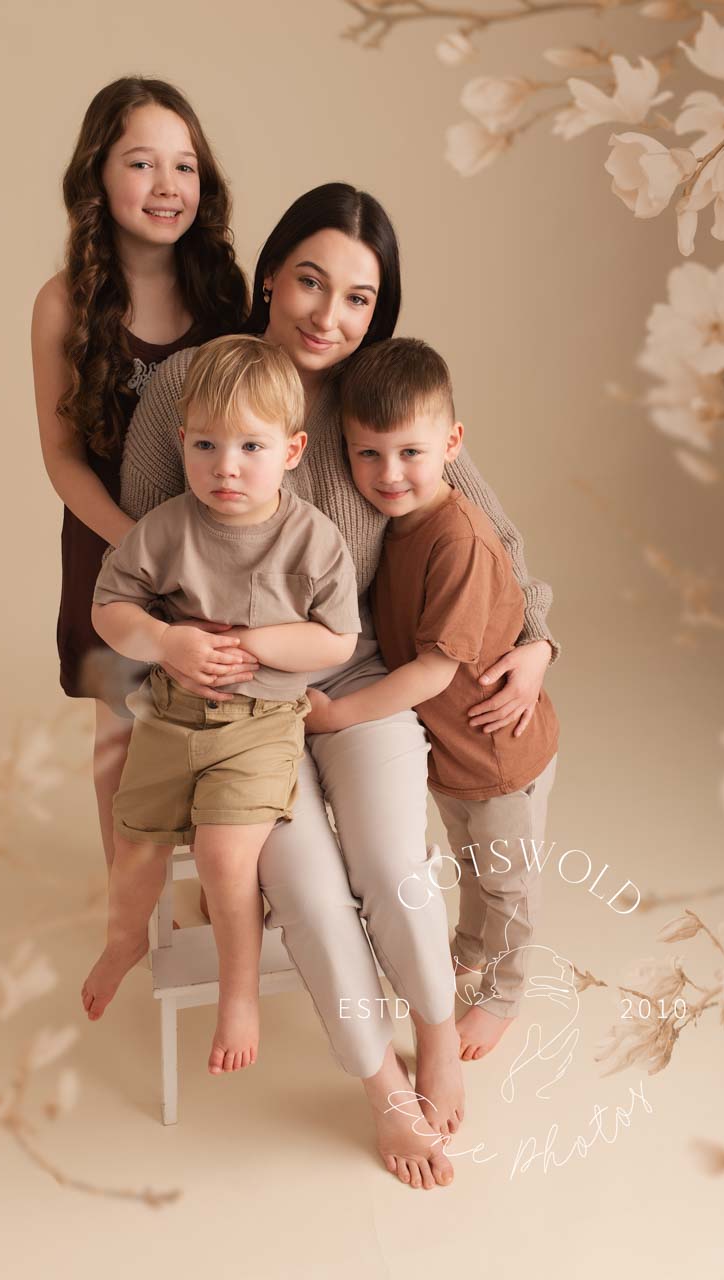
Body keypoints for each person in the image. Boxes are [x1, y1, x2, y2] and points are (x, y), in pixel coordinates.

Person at [120, 183, 559, 1191]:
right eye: (310, 281)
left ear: (377, 312)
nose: (328, 314)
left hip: (358, 673)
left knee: (393, 862)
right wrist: (173, 648)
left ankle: (435, 1033)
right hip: (234, 701)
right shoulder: (190, 383)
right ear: (269, 275)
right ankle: (381, 1091)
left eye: (358, 297)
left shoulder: (378, 397)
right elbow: (144, 551)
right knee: (313, 894)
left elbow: (486, 530)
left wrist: (537, 640)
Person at [82, 335, 361, 1074]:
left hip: (260, 727)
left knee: (221, 854)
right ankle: (125, 937)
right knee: (135, 841)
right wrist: (165, 640)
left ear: (292, 450)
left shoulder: (313, 540)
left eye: (250, 446)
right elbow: (109, 608)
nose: (226, 466)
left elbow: (337, 641)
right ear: (181, 444)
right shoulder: (168, 528)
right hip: (172, 717)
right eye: (206, 444)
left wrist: (265, 643)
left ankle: (239, 990)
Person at [303, 338, 560, 1062]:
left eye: (410, 453)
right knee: (473, 862)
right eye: (367, 455)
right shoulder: (400, 525)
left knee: (507, 881)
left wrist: (343, 714)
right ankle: (472, 948)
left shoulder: (458, 540)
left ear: (451, 444)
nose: (389, 476)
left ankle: (505, 993)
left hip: (497, 748)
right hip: (453, 751)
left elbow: (433, 671)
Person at [31, 77, 249, 876]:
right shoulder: (63, 303)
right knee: (120, 726)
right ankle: (131, 902)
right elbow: (61, 459)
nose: (167, 187)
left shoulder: (227, 295)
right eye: (141, 163)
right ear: (97, 176)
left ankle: (220, 884)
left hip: (218, 544)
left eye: (185, 166)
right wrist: (140, 546)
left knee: (212, 713)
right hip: (107, 545)